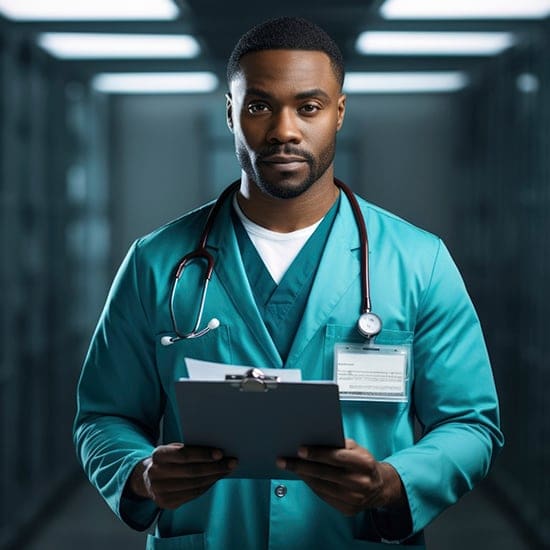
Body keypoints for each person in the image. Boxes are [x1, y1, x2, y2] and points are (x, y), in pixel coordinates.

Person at [74, 16, 503, 549]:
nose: (284, 130)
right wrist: (140, 473)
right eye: (258, 106)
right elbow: (104, 415)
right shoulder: (155, 263)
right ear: (230, 113)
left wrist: (391, 483)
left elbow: (470, 424)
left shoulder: (419, 262)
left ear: (338, 114)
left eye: (309, 106)